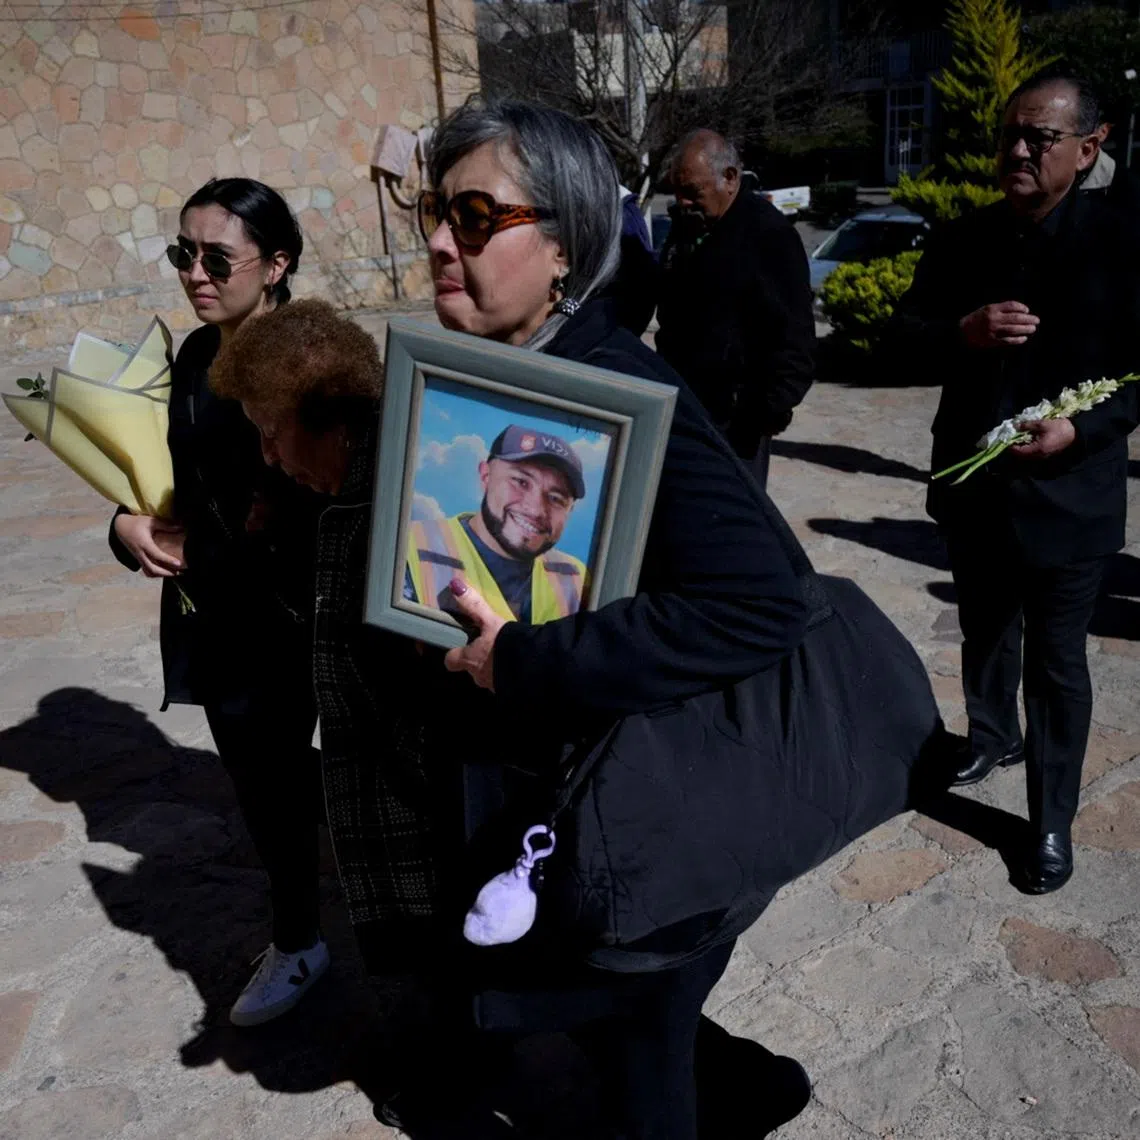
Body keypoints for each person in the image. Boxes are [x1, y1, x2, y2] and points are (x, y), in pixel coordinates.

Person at [214, 103, 819, 1140]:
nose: (444, 241)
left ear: (563, 249)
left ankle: (739, 1091)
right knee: (625, 1037)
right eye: (439, 216)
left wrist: (527, 661)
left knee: (641, 1080)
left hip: (636, 847)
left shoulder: (615, 383)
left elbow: (767, 600)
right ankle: (756, 1087)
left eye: (480, 216)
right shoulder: (502, 380)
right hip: (545, 830)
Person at [891, 73, 1140, 894]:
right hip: (975, 491)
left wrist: (1083, 428)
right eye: (1011, 135)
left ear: (1089, 148)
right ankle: (992, 736)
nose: (1020, 150)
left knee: (1058, 664)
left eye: (1041, 137)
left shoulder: (1122, 238)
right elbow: (906, 337)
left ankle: (1049, 820)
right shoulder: (963, 238)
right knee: (985, 631)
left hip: (1071, 497)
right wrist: (960, 332)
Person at [107, 178, 329, 1026]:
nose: (195, 273)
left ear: (275, 265)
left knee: (287, 784)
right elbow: (173, 483)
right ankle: (301, 928)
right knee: (260, 782)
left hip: (294, 615)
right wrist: (123, 525)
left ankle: (305, 942)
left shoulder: (311, 362)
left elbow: (313, 508)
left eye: (215, 257)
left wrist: (208, 549)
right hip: (220, 615)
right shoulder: (198, 356)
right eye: (182, 254)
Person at [654, 129, 815, 487]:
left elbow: (796, 341)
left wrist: (762, 412)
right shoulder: (688, 226)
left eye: (692, 192)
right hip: (684, 407)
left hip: (735, 425)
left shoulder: (769, 235)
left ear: (730, 178)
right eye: (677, 192)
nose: (682, 202)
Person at [405, 423, 588, 623]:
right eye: (521, 482)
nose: (536, 509)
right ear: (486, 475)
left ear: (570, 510)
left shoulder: (577, 579)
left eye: (555, 498)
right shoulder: (410, 544)